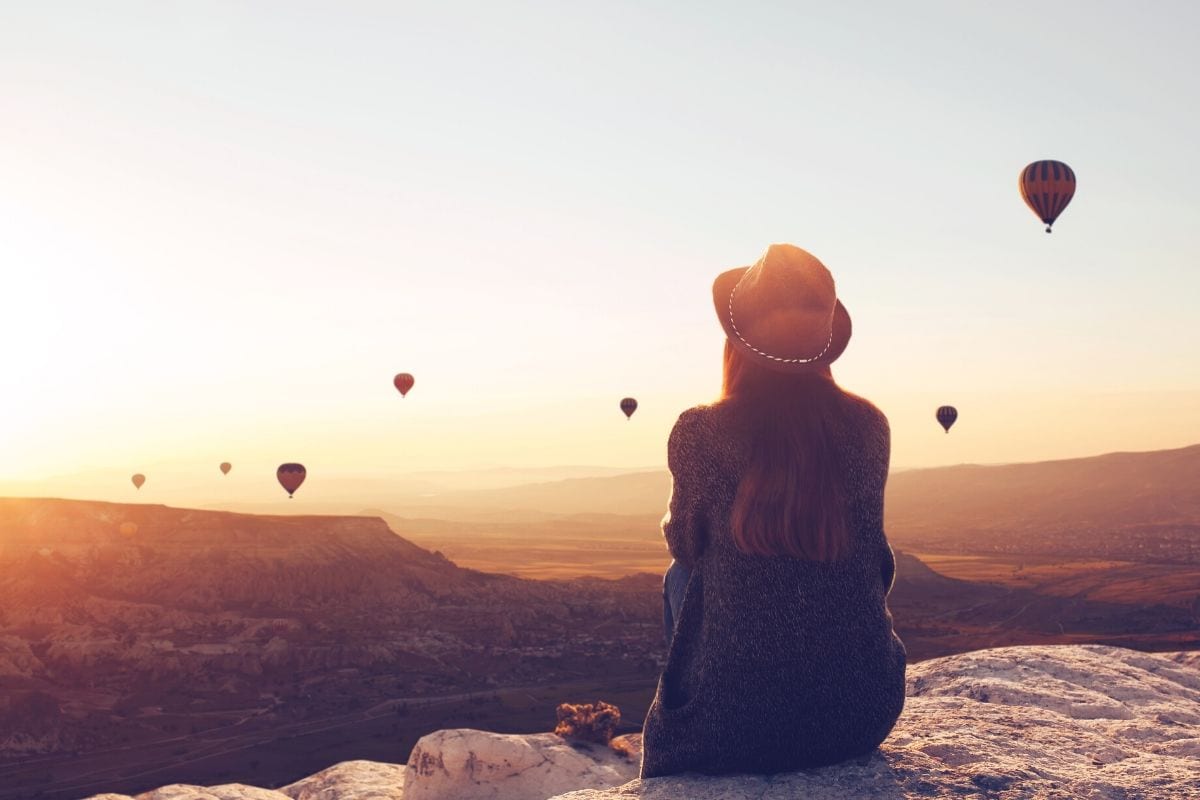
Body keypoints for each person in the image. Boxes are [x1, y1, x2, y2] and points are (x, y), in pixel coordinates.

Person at [641, 243, 906, 778]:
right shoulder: (869, 426)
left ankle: (707, 697)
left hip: (728, 730)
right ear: (825, 346)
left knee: (681, 575)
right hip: (859, 713)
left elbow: (687, 544)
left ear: (737, 342)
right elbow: (874, 558)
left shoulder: (701, 431)